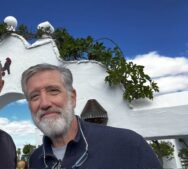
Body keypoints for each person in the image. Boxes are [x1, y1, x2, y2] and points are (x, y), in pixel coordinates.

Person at [21, 63, 162, 169]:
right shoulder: (35, 160)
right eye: (34, 96)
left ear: (72, 97)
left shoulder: (128, 145)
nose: (44, 103)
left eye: (53, 91)